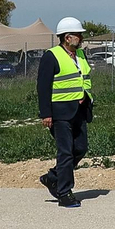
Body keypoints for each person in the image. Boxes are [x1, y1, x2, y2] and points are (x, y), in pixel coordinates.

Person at [37, 17, 93, 208]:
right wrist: (46, 114)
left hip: (79, 111)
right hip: (59, 112)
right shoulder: (51, 56)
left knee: (80, 148)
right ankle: (64, 193)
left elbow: (84, 78)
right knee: (65, 153)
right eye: (78, 35)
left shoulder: (81, 55)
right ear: (67, 37)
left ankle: (52, 177)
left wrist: (85, 96)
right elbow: (43, 87)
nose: (81, 38)